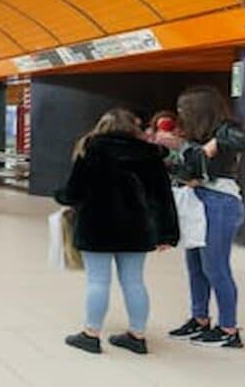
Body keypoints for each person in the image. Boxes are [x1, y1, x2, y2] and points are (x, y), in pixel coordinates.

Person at [56, 109, 179, 355]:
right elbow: (162, 197)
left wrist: (61, 197)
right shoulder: (150, 154)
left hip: (96, 225)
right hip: (137, 228)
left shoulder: (91, 149)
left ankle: (91, 335)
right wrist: (167, 234)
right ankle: (137, 336)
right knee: (134, 281)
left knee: (98, 281)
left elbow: (73, 192)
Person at [167, 86, 245, 348]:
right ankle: (199, 318)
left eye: (183, 109)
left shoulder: (225, 132)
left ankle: (228, 329)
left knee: (215, 267)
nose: (180, 114)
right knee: (196, 266)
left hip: (220, 203)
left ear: (199, 110)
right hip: (197, 202)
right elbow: (184, 170)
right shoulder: (195, 137)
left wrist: (214, 147)